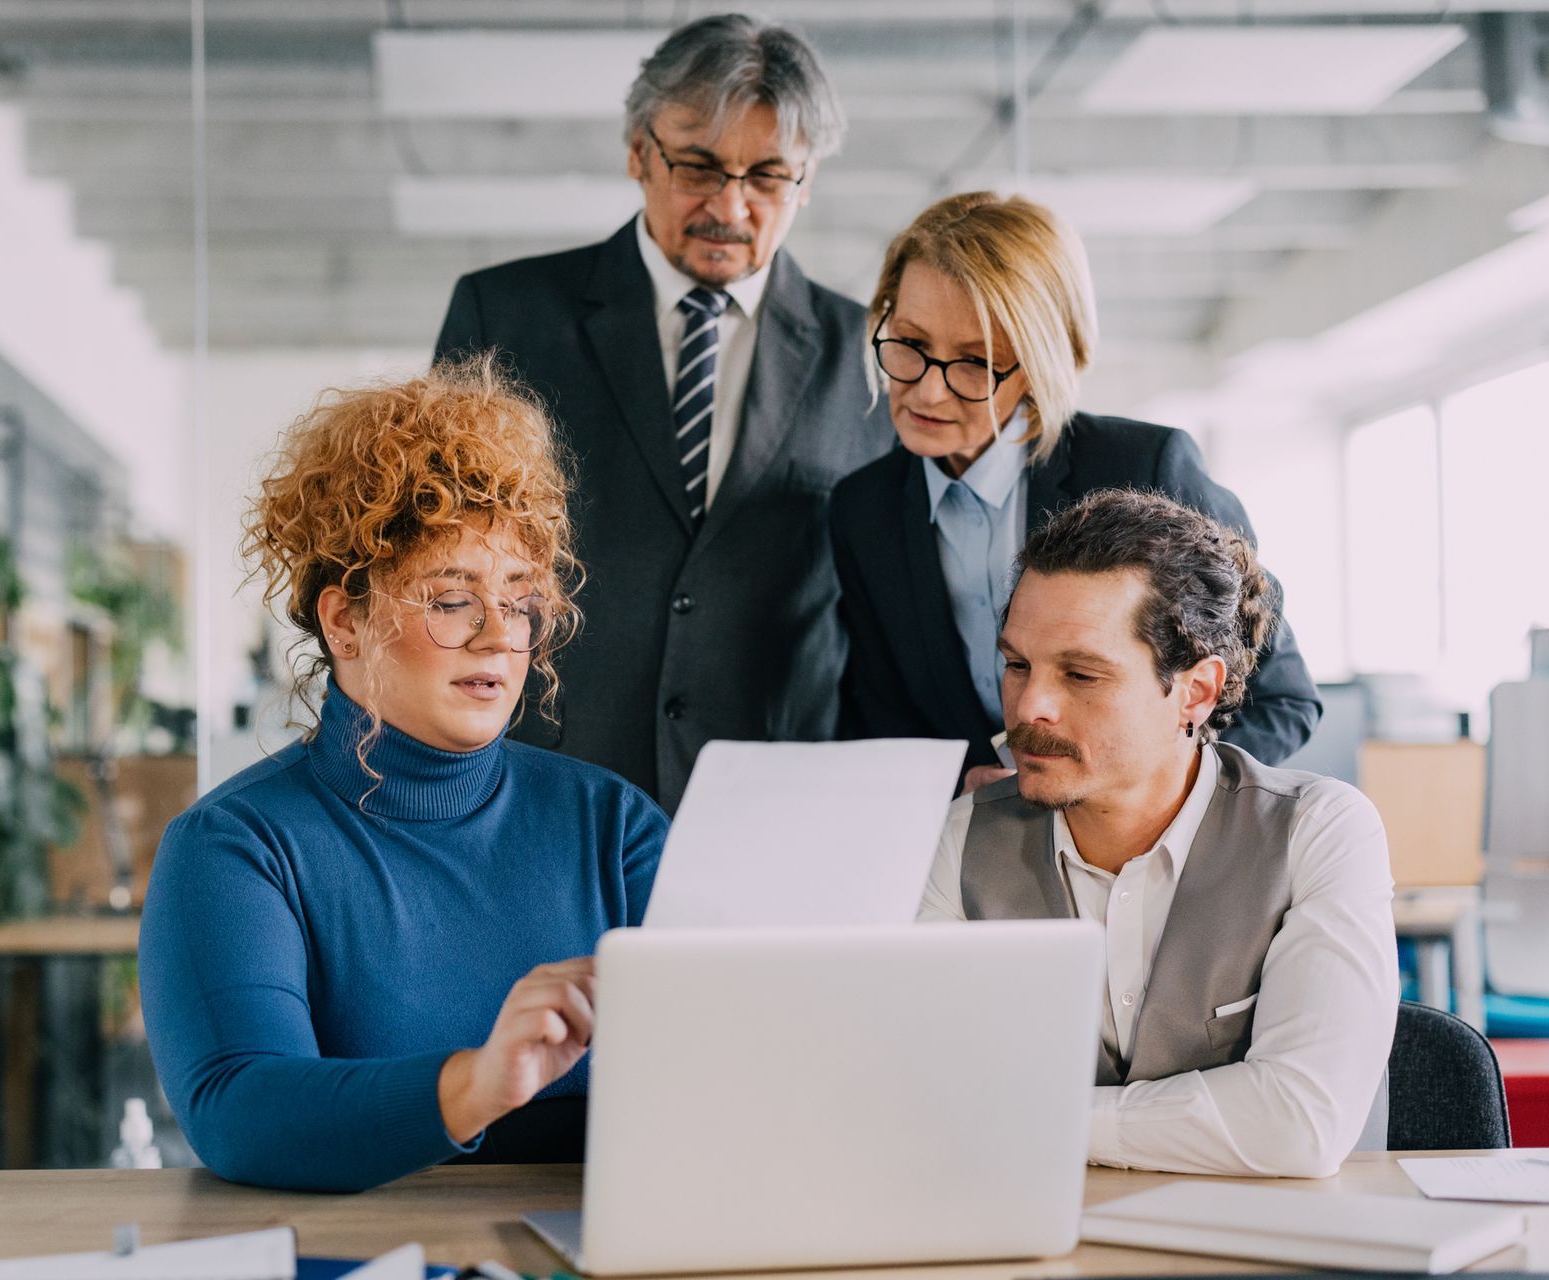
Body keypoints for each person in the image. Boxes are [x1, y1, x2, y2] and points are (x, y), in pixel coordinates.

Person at [138, 360, 667, 1193]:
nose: (499, 633)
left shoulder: (616, 827)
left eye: (520, 597)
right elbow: (240, 1108)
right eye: (452, 598)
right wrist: (479, 1084)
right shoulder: (234, 848)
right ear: (345, 619)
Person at [434, 14, 893, 814]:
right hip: (547, 790)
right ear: (639, 152)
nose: (732, 205)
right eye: (699, 166)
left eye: (767, 176)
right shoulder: (504, 317)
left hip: (777, 805)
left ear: (806, 179)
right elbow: (438, 562)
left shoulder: (871, 355)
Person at [920, 489, 1396, 1178]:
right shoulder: (957, 839)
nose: (1030, 707)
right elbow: (923, 1098)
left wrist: (1033, 1120)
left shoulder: (1321, 832)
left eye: (1081, 674)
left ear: (1196, 693)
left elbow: (1298, 1122)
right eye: (1017, 665)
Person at [830, 192, 1320, 791]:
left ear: (1040, 366)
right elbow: (883, 716)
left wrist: (1137, 796)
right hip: (974, 856)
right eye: (910, 344)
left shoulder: (1145, 467)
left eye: (974, 362)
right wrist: (961, 786)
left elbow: (1281, 700)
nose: (927, 393)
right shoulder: (863, 511)